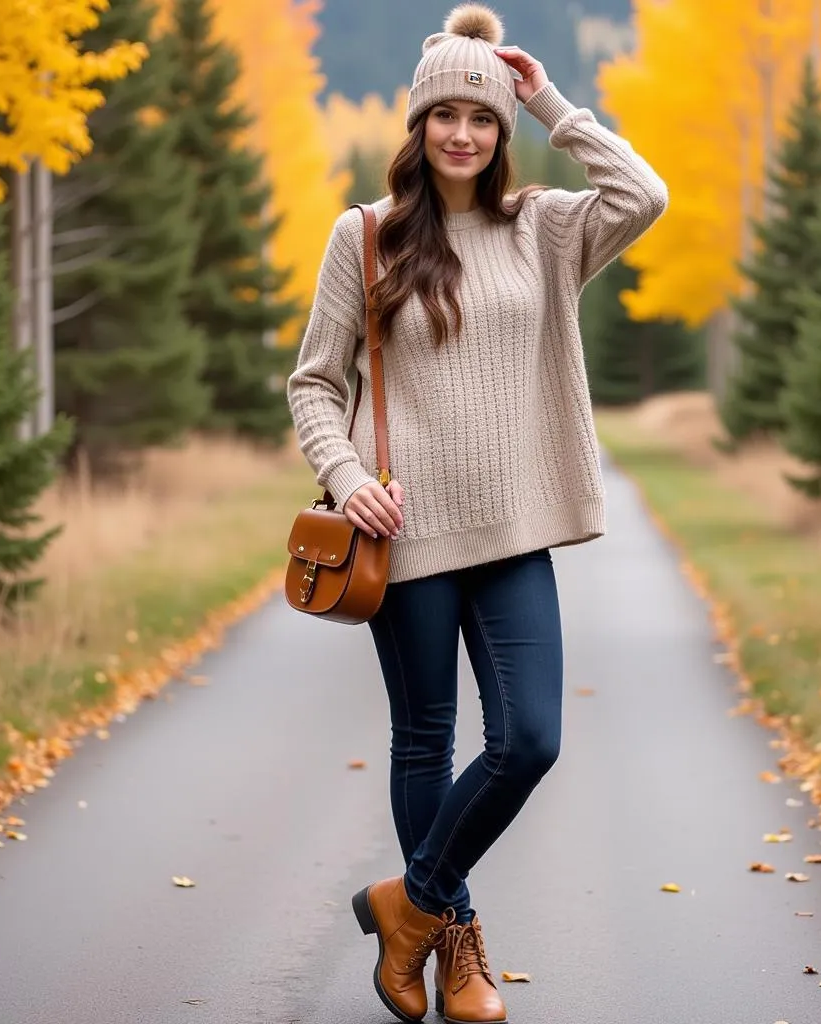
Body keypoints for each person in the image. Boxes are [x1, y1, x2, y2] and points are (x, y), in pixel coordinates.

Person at [287, 4, 667, 1021]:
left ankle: (405, 905)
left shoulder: (543, 226)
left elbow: (644, 192)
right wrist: (343, 475)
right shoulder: (360, 236)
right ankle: (453, 951)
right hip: (398, 532)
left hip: (512, 530)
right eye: (444, 113)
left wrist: (548, 97)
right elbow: (314, 385)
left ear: (504, 132)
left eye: (484, 116)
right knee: (425, 742)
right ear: (416, 126)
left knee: (528, 738)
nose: (463, 132)